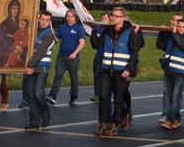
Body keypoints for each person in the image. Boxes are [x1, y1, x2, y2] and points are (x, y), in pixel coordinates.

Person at [90, 7, 140, 136]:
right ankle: (102, 123)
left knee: (117, 99)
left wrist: (128, 69)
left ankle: (114, 125)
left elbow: (135, 53)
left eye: (116, 16)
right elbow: (96, 44)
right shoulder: (108, 32)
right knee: (103, 97)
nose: (113, 18)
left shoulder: (129, 33)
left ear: (123, 18)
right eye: (112, 15)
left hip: (121, 71)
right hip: (107, 70)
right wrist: (94, 30)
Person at [46, 9, 86, 105]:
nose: (69, 18)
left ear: (75, 18)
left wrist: (75, 53)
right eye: (68, 16)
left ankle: (74, 97)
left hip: (73, 57)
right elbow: (57, 39)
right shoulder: (62, 27)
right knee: (58, 75)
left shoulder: (79, 28)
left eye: (71, 16)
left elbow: (82, 43)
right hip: (62, 56)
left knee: (73, 77)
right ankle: (52, 95)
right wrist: (52, 33)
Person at [159, 18, 184, 129]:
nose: (180, 29)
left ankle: (170, 119)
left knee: (175, 97)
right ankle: (177, 118)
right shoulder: (172, 35)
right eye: (179, 26)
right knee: (170, 96)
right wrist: (162, 33)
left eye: (183, 27)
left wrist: (174, 33)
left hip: (180, 71)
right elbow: (161, 45)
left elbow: (183, 45)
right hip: (170, 69)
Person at [24, 11, 56, 129]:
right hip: (31, 66)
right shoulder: (33, 31)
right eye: (42, 19)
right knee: (31, 95)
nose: (44, 22)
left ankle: (46, 115)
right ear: (39, 19)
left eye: (47, 20)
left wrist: (30, 65)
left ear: (50, 22)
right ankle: (34, 121)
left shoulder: (49, 34)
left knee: (38, 93)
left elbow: (41, 52)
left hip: (41, 67)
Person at [157, 13, 183, 123]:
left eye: (178, 20)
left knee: (177, 92)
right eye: (173, 20)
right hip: (168, 65)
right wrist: (164, 33)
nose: (175, 22)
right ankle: (165, 113)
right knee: (167, 91)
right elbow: (160, 45)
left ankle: (176, 115)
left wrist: (176, 34)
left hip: (180, 66)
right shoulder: (166, 32)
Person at [0, 0, 21, 67]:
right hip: (6, 50)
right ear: (9, 9)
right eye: (13, 8)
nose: (15, 11)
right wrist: (13, 47)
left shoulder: (21, 23)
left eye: (17, 8)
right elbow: (1, 40)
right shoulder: (3, 24)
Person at [90, 12, 110, 102]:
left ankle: (107, 93)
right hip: (99, 53)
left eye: (105, 18)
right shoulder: (98, 29)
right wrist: (94, 32)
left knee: (107, 75)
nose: (103, 20)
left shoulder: (110, 29)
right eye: (102, 18)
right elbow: (94, 43)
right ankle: (97, 94)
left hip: (108, 54)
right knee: (97, 73)